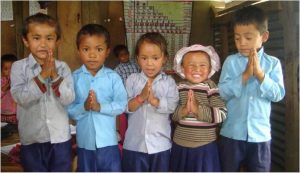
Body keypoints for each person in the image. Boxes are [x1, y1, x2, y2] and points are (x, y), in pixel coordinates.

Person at [218, 6, 285, 172]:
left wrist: (261, 75)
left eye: (248, 37)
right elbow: (221, 93)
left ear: (264, 36)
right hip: (231, 134)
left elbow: (278, 94)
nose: (242, 43)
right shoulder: (230, 62)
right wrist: (244, 76)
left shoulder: (272, 63)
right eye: (237, 38)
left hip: (260, 136)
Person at [10, 13, 75, 172]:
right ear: (26, 41)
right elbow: (20, 97)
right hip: (32, 139)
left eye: (49, 38)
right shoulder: (18, 67)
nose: (43, 44)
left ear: (57, 41)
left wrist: (53, 75)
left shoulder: (62, 68)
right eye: (36, 38)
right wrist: (41, 76)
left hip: (60, 139)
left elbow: (68, 99)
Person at [68, 24, 127, 172]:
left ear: (107, 52)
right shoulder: (73, 78)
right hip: (84, 143)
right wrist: (84, 106)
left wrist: (99, 107)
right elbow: (69, 110)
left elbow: (121, 104)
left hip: (108, 141)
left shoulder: (113, 77)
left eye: (99, 49)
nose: (92, 55)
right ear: (78, 51)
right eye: (86, 49)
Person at [122, 32, 179, 172]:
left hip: (160, 145)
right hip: (134, 145)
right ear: (137, 59)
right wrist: (140, 98)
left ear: (164, 59)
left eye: (155, 58)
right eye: (144, 58)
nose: (149, 63)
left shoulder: (169, 82)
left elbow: (172, 106)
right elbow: (124, 106)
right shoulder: (132, 80)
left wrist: (154, 100)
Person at [171, 44, 227, 172]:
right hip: (180, 144)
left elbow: (222, 114)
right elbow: (171, 114)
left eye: (202, 65)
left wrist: (198, 110)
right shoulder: (178, 87)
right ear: (182, 68)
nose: (197, 69)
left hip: (205, 146)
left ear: (210, 68)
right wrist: (184, 110)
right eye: (191, 65)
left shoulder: (210, 87)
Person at [113, 44, 140, 145]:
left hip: (138, 96)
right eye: (121, 55)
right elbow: (117, 87)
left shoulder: (135, 64)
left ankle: (138, 139)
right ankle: (129, 141)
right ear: (118, 57)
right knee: (128, 121)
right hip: (126, 98)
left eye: (126, 54)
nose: (124, 57)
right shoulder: (117, 70)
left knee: (138, 120)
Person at [1, 54, 18, 125]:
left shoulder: (19, 81)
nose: (9, 71)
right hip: (2, 114)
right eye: (6, 69)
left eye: (12, 68)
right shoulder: (1, 81)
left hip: (15, 114)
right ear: (1, 70)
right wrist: (4, 88)